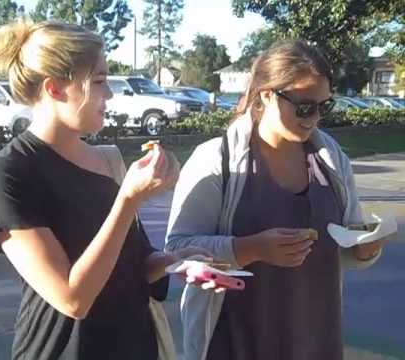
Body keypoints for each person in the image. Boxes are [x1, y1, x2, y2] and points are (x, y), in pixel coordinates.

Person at [0, 20, 208, 360]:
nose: (110, 94)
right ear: (55, 89)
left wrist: (175, 262)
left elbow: (135, 264)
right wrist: (128, 200)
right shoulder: (9, 174)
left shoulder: (106, 160)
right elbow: (72, 298)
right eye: (99, 81)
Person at [165, 40, 388, 360]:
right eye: (304, 106)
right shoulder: (217, 159)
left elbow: (349, 239)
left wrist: (366, 249)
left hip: (316, 341)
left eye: (324, 106)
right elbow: (176, 253)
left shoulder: (331, 157)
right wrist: (252, 248)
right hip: (234, 344)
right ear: (267, 95)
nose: (314, 118)